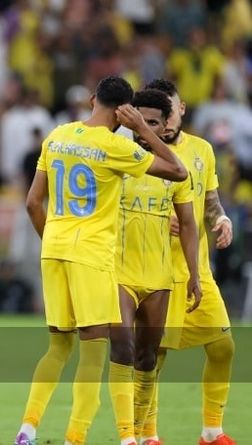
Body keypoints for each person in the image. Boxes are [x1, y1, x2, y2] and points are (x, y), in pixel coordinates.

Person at [14, 76, 188, 445]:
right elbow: (177, 170)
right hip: (91, 254)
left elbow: (32, 202)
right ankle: (75, 438)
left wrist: (56, 241)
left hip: (54, 250)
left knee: (58, 347)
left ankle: (27, 428)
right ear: (124, 112)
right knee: (93, 351)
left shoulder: (57, 135)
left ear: (92, 99)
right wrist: (142, 127)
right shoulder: (114, 147)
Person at [142, 79, 236, 445]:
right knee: (155, 355)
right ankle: (148, 435)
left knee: (223, 347)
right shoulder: (140, 155)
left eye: (169, 110)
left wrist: (221, 219)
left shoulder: (202, 150)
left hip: (197, 269)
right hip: (157, 268)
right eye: (156, 115)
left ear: (180, 110)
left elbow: (209, 199)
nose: (164, 121)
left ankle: (212, 431)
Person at [112, 88, 202, 443]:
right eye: (138, 122)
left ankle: (141, 431)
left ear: (166, 126)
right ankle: (126, 436)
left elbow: (190, 224)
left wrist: (194, 275)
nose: (143, 129)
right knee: (123, 349)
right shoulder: (117, 155)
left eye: (151, 123)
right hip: (118, 270)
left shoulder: (174, 168)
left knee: (148, 357)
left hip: (158, 275)